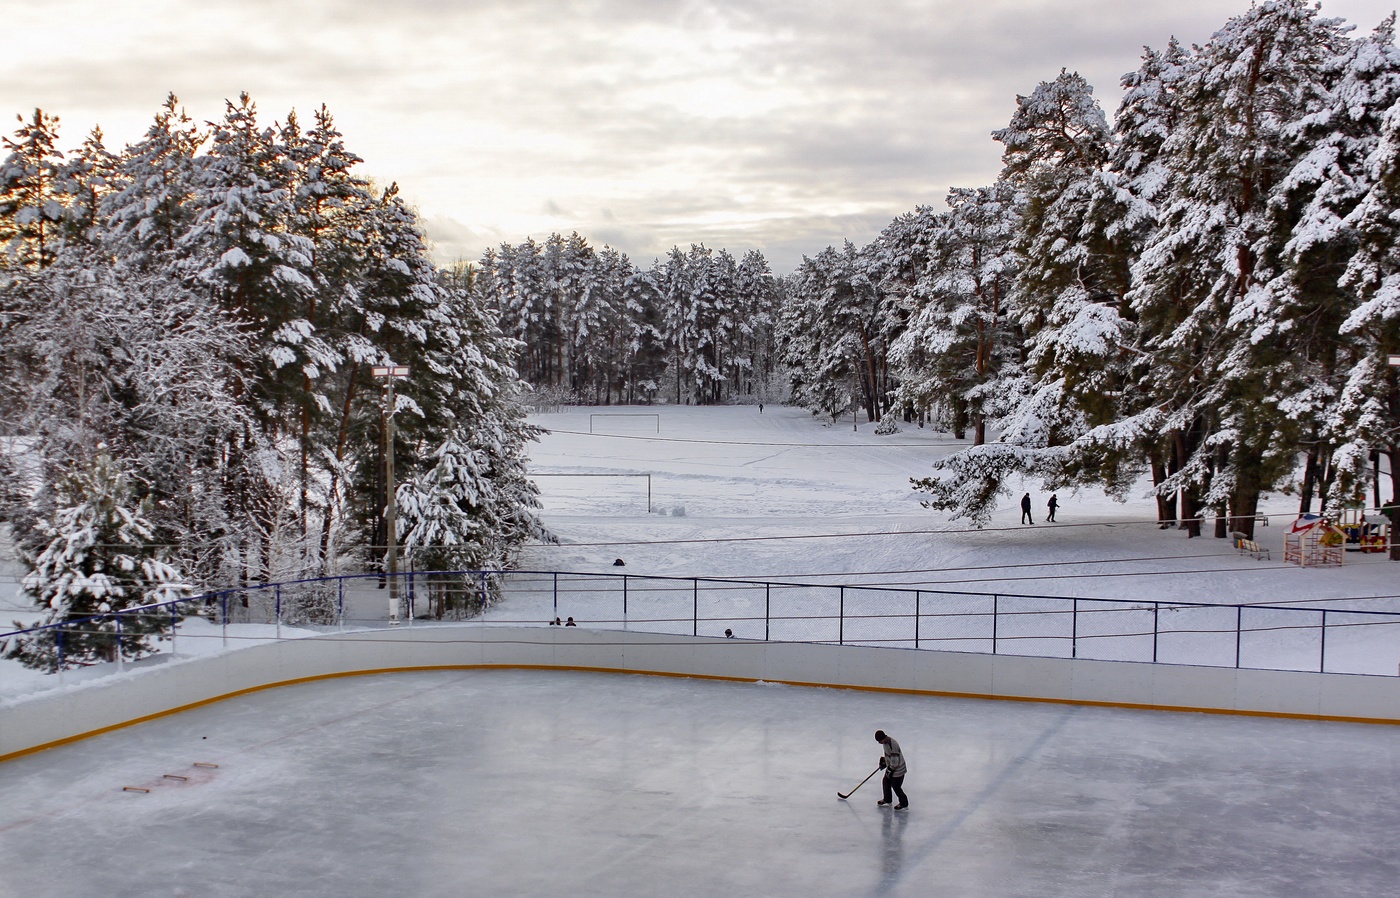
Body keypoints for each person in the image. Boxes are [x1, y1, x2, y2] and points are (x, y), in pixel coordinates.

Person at [875, 730, 908, 810]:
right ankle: (887, 799)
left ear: (883, 738)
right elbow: (888, 755)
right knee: (885, 782)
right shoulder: (885, 743)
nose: (879, 743)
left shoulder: (893, 745)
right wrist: (884, 761)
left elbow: (895, 762)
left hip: (898, 769)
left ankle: (904, 803)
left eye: (879, 741)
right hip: (892, 767)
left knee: (896, 786)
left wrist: (889, 770)